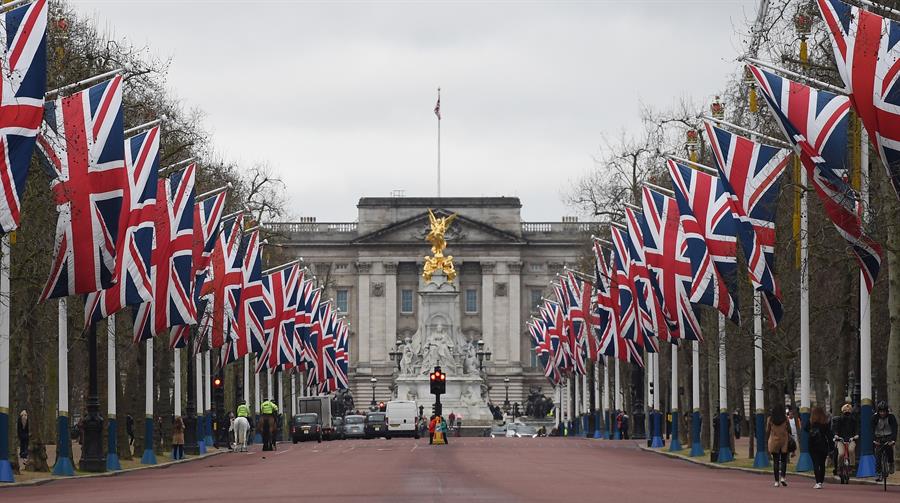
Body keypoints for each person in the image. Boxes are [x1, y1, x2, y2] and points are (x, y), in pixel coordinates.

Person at [805, 406, 833, 489]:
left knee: (815, 463)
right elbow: (829, 435)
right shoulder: (825, 423)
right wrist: (831, 447)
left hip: (812, 445)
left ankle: (818, 482)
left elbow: (805, 428)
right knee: (822, 464)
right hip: (823, 444)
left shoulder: (811, 422)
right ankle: (821, 480)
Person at [872, 401, 897, 482]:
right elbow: (870, 430)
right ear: (878, 411)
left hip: (888, 436)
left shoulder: (891, 417)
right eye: (880, 411)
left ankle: (891, 463)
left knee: (889, 448)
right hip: (878, 437)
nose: (882, 413)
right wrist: (874, 440)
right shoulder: (874, 418)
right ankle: (878, 473)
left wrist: (893, 440)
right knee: (878, 454)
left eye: (884, 411)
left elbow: (894, 429)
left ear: (887, 411)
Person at [767, 406, 790, 487]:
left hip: (774, 441)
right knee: (784, 460)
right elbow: (789, 429)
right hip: (784, 441)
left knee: (776, 461)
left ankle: (776, 481)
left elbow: (767, 430)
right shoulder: (785, 419)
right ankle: (783, 477)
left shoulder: (770, 419)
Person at [832, 403, 858, 475]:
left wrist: (856, 435)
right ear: (842, 411)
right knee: (841, 454)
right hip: (841, 440)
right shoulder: (839, 420)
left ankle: (852, 466)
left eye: (849, 410)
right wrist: (836, 435)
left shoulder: (853, 420)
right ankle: (839, 467)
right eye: (845, 410)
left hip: (851, 439)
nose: (847, 412)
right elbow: (836, 429)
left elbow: (856, 429)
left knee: (851, 450)